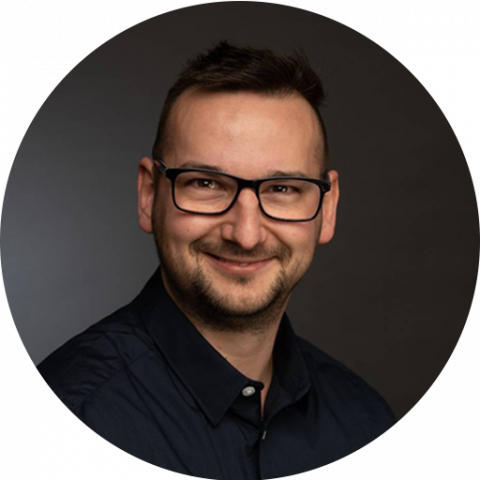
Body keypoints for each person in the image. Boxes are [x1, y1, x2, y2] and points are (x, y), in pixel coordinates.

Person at [36, 40, 396, 477]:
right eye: (206, 184)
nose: (245, 234)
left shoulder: (364, 421)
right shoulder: (78, 407)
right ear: (149, 195)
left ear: (328, 207)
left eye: (282, 189)